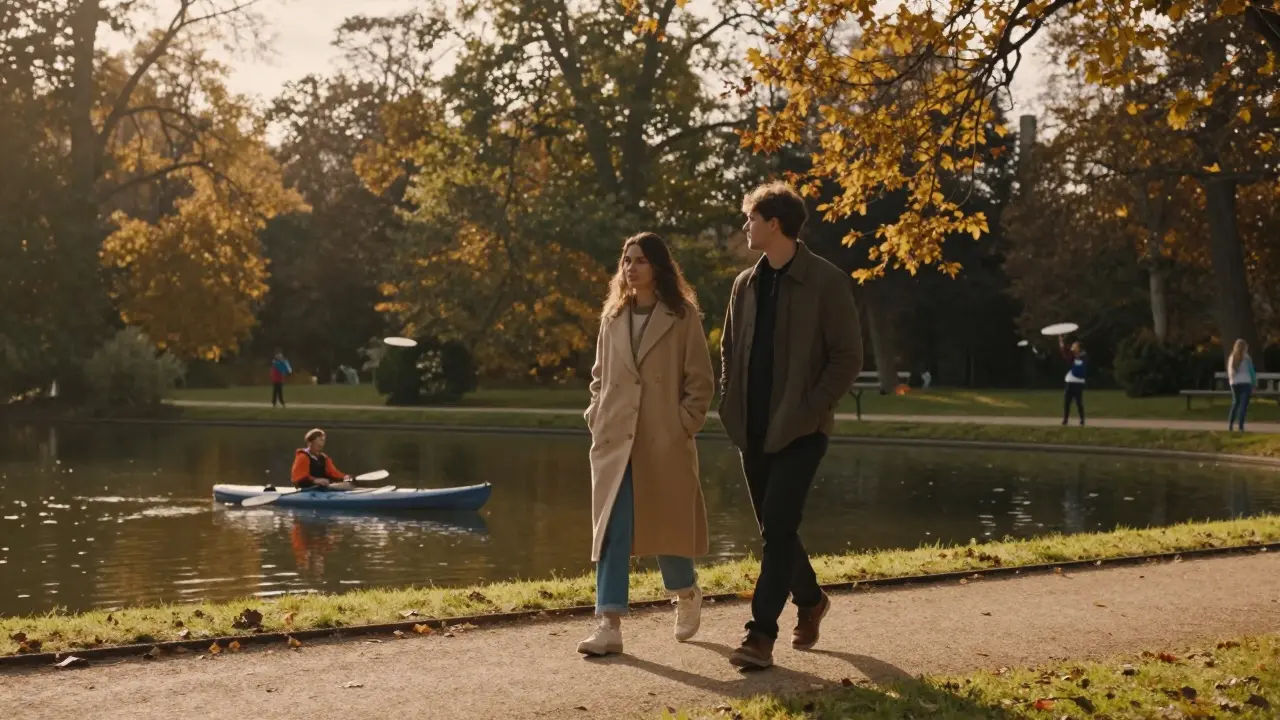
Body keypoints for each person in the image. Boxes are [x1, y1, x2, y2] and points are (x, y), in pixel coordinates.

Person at [718, 182, 863, 669]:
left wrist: (812, 406)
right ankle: (812, 599)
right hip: (752, 427)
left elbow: (847, 357)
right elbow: (729, 349)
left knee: (778, 526)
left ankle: (760, 636)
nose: (746, 227)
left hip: (803, 429)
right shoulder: (745, 284)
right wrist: (729, 400)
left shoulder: (826, 281)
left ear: (773, 223)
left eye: (751, 218)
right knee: (775, 529)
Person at [577, 232, 715, 657]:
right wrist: (595, 416)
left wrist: (681, 424)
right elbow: (600, 376)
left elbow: (700, 382)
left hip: (662, 437)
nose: (630, 267)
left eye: (639, 260)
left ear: (658, 267)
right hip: (616, 437)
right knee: (613, 529)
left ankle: (686, 592)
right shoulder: (612, 317)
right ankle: (609, 623)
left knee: (666, 526)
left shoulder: (681, 316)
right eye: (626, 260)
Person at [1228, 338, 1257, 432]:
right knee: (1243, 405)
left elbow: (1230, 372)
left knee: (1235, 403)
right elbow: (1251, 372)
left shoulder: (1232, 357)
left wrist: (1232, 381)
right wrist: (1254, 383)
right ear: (1245, 347)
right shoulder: (1247, 358)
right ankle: (1240, 427)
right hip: (1245, 382)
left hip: (1235, 383)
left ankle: (1231, 425)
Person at [1059, 337, 1087, 426]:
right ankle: (1065, 419)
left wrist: (1072, 351)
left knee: (1078, 402)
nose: (1073, 347)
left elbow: (1079, 358)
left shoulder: (1083, 356)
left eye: (1074, 346)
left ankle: (1082, 419)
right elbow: (1065, 352)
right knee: (1067, 402)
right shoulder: (1072, 356)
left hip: (1078, 382)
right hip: (1070, 381)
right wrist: (1061, 341)